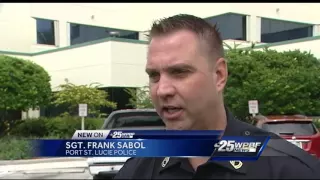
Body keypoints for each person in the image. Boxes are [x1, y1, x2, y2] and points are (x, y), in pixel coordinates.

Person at [114, 14, 320, 179]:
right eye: (154, 75)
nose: (162, 90)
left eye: (179, 72)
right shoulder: (137, 170)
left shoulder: (290, 170)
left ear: (219, 75)